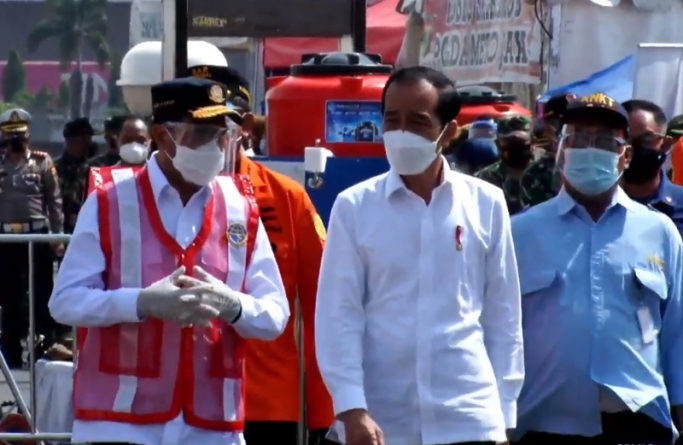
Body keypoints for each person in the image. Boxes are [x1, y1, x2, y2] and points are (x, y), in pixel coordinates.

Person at [49, 77, 290, 445]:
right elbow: (65, 301)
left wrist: (234, 306)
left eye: (222, 134)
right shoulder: (111, 201)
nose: (217, 146)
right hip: (120, 424)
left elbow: (276, 315)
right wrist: (141, 303)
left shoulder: (240, 207)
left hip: (211, 426)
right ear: (163, 137)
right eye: (202, 134)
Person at [315, 66, 523, 445]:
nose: (401, 133)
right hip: (379, 419)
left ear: (449, 132)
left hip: (468, 417)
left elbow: (503, 316)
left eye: (418, 122)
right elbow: (338, 314)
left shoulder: (486, 203)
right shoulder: (354, 207)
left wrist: (504, 413)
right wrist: (351, 407)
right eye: (392, 120)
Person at [512, 92, 683, 445]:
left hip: (638, 422)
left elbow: (678, 333)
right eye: (578, 139)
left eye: (604, 142)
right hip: (544, 425)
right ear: (562, 150)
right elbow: (498, 331)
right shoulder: (521, 232)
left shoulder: (659, 231)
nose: (590, 149)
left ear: (626, 156)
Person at [189, 64, 334, 445]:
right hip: (175, 403)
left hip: (263, 403)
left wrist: (326, 412)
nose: (204, 139)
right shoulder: (146, 198)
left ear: (246, 126)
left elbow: (324, 307)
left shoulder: (287, 199)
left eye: (219, 127)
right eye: (190, 127)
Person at [0, 108, 64, 368]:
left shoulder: (42, 161)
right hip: (6, 237)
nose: (16, 143)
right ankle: (11, 348)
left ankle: (41, 344)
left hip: (36, 234)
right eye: (11, 138)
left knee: (40, 291)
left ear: (28, 138)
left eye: (21, 138)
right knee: (9, 295)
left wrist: (57, 237)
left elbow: (54, 200)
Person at [620, 100, 683, 233]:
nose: (632, 149)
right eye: (625, 140)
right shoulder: (596, 207)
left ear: (666, 144)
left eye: (646, 139)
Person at [520, 94, 575, 208]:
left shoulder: (601, 168)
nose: (564, 130)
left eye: (573, 125)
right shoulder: (535, 174)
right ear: (546, 128)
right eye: (557, 124)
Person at [476, 116, 533, 214]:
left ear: (532, 142)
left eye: (520, 142)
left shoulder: (547, 171)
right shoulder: (487, 177)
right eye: (509, 142)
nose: (515, 148)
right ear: (498, 143)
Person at [54, 118, 95, 234]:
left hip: (90, 227)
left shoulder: (95, 166)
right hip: (64, 228)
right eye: (86, 139)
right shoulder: (54, 168)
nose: (90, 143)